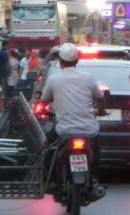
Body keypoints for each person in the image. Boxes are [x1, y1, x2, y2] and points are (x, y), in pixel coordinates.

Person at [40, 43, 105, 187]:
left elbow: (44, 100)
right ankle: (95, 179)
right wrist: (100, 111)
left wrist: (46, 109)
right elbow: (100, 98)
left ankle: (49, 180)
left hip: (64, 130)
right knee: (96, 149)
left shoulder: (54, 80)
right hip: (89, 130)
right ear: (77, 61)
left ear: (60, 62)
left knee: (47, 146)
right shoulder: (88, 78)